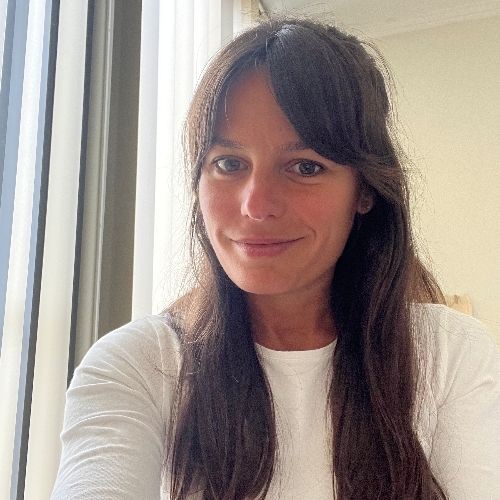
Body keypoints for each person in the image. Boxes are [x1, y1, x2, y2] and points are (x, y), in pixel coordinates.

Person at [51, 18, 500, 500]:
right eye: (228, 163)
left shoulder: (449, 355)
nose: (256, 204)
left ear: (365, 191)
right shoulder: (139, 365)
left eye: (305, 167)